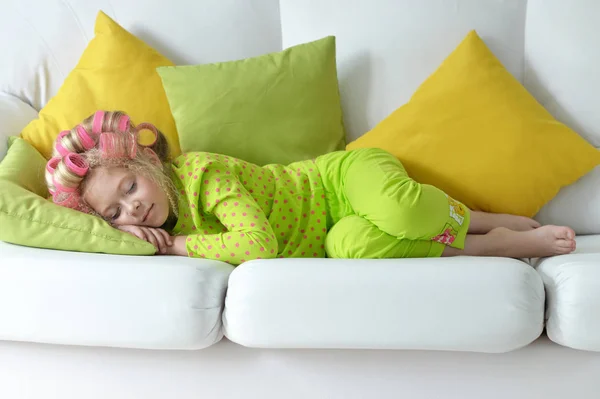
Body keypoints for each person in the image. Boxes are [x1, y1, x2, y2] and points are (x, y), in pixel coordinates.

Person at [45, 110, 576, 265]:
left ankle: (480, 219)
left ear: (149, 162)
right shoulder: (157, 227)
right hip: (329, 234)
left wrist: (182, 245)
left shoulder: (202, 174)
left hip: (340, 178)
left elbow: (258, 245)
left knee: (398, 209)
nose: (133, 208)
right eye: (115, 213)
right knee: (354, 247)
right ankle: (487, 246)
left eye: (130, 186)